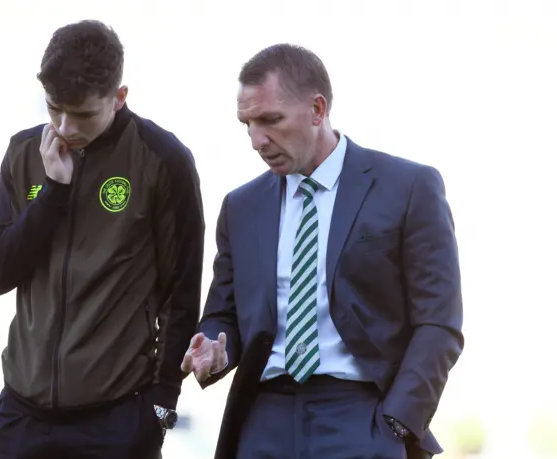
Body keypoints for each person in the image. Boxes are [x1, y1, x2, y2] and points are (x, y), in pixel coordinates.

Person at [181, 44, 463, 459]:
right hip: (263, 416)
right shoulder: (241, 206)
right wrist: (212, 348)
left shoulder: (407, 188)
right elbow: (225, 313)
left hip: (361, 414)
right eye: (247, 124)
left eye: (270, 120)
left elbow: (439, 322)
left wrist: (398, 421)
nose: (257, 140)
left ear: (317, 109)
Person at [0, 20, 205, 458]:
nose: (65, 126)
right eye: (53, 109)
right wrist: (52, 196)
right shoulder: (24, 153)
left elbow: (181, 290)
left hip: (115, 423)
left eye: (82, 114)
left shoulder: (162, 160)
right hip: (21, 420)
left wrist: (161, 406)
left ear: (119, 98)